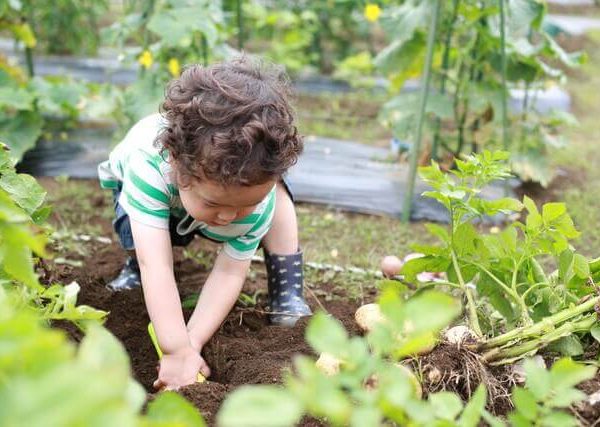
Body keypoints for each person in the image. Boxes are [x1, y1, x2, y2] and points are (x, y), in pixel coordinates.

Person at [97, 56, 312, 390]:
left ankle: (286, 290)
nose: (227, 216)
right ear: (178, 166)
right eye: (215, 202)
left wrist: (192, 343)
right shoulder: (147, 169)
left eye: (244, 203)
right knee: (143, 242)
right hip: (141, 195)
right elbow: (157, 265)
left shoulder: (256, 196)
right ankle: (131, 268)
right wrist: (174, 347)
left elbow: (229, 272)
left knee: (277, 206)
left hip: (199, 195)